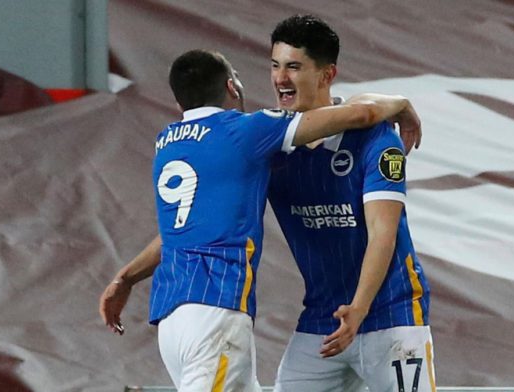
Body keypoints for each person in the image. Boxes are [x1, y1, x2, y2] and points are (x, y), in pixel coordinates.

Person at [98, 48, 421, 391]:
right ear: (231, 87)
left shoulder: (168, 144)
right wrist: (400, 103)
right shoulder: (248, 131)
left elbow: (178, 235)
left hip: (171, 320)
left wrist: (125, 278)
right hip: (216, 312)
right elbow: (361, 114)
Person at [266, 15, 436, 392]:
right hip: (323, 322)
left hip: (392, 315)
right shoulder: (271, 146)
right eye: (275, 66)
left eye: (294, 67)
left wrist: (359, 310)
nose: (280, 79)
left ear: (327, 75)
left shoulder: (377, 139)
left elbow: (382, 234)